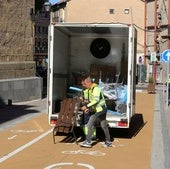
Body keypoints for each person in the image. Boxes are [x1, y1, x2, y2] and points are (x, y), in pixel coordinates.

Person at [79, 75, 112, 148]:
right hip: (100, 109)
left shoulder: (96, 89)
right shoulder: (90, 89)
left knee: (89, 124)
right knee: (103, 125)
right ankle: (108, 141)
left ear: (88, 82)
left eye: (85, 83)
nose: (84, 85)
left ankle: (88, 142)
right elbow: (91, 101)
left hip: (100, 109)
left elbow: (96, 100)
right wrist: (88, 106)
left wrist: (87, 106)